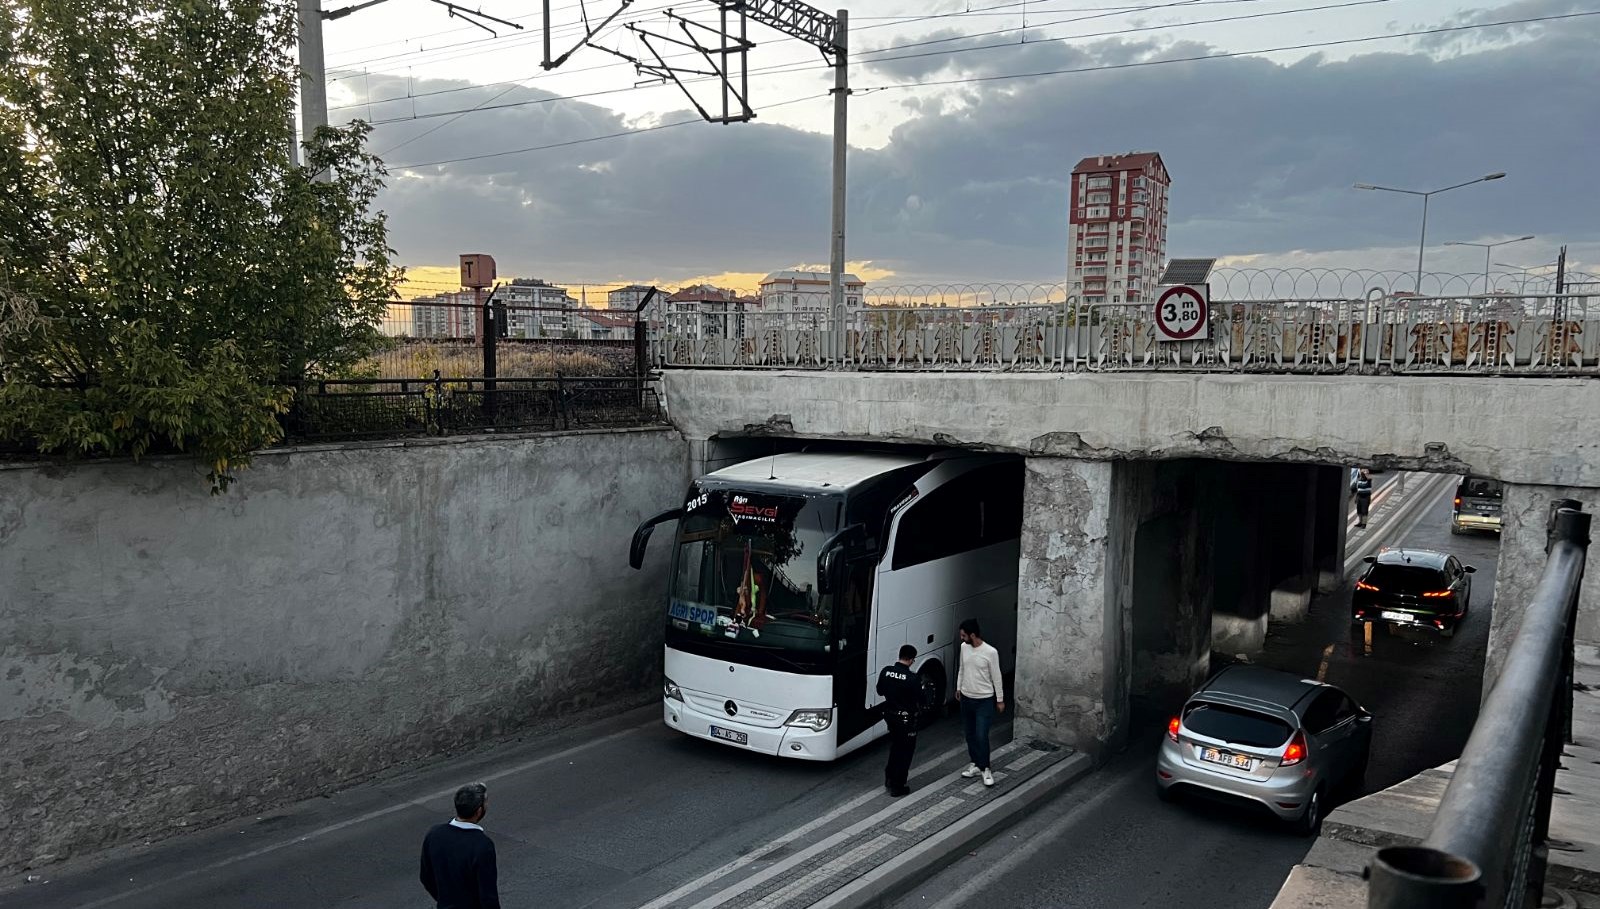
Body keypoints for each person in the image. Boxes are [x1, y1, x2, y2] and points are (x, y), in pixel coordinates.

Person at [420, 782, 501, 909]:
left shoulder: (434, 834)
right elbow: (488, 896)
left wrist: (445, 900)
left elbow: (426, 877)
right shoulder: (482, 845)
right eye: (486, 802)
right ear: (479, 811)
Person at [955, 619, 1005, 787]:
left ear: (972, 635)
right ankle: (975, 763)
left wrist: (1000, 699)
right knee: (969, 734)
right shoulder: (964, 648)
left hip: (984, 699)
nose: (961, 638)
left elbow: (996, 676)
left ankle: (985, 768)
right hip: (966, 698)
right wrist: (959, 687)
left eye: (963, 635)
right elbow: (962, 668)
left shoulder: (990, 652)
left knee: (981, 735)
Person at [877, 644, 922, 797]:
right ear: (911, 659)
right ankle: (897, 785)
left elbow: (880, 691)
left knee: (895, 747)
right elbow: (921, 699)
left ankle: (889, 778)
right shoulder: (913, 678)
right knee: (905, 752)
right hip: (906, 719)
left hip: (890, 716)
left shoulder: (886, 671)